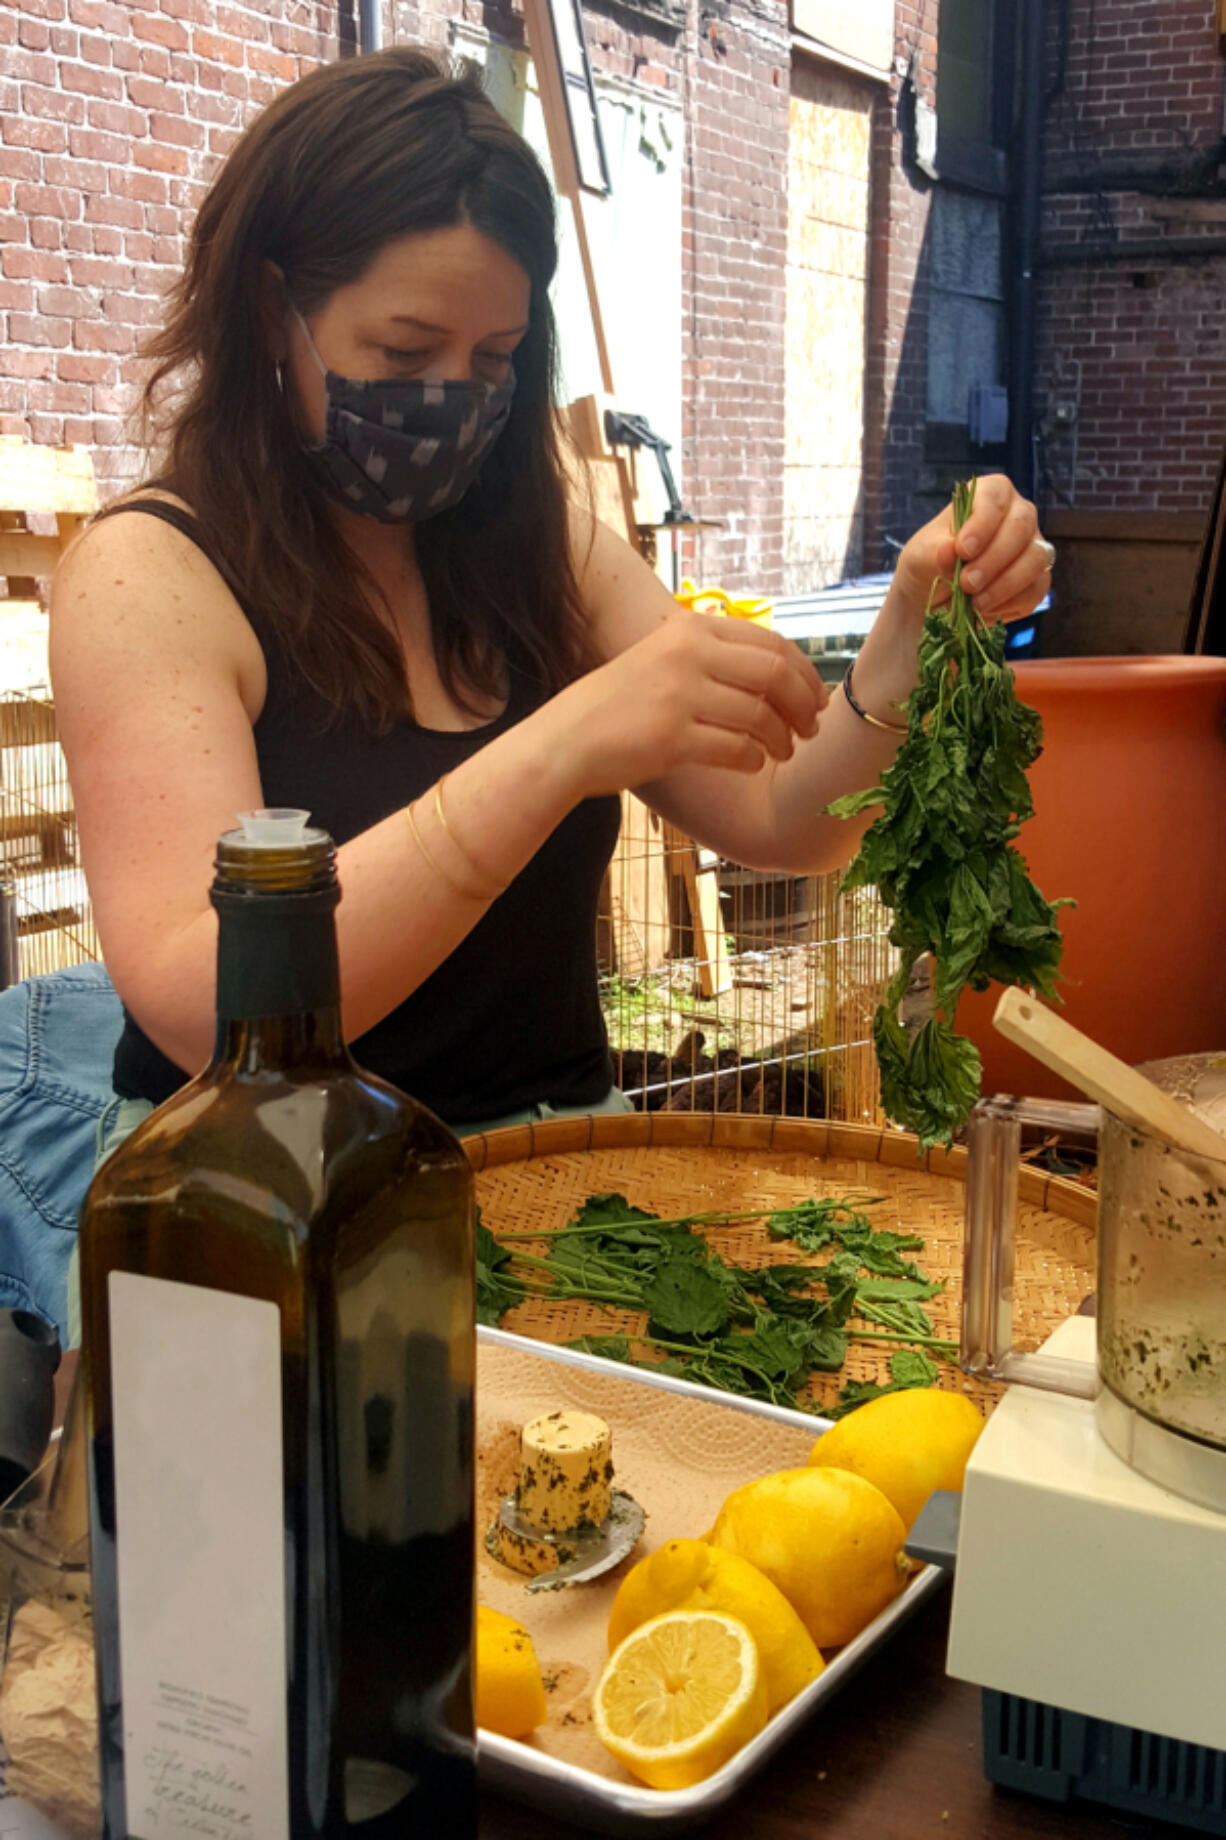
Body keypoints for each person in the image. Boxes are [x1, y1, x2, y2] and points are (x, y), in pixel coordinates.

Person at [48, 48, 1051, 1224]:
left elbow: (784, 816)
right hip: (268, 1209)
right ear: (275, 309)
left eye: (493, 362)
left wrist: (908, 629)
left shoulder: (544, 550)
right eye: (403, 352)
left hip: (564, 1182)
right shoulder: (152, 572)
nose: (453, 398)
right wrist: (558, 747)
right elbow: (201, 993)